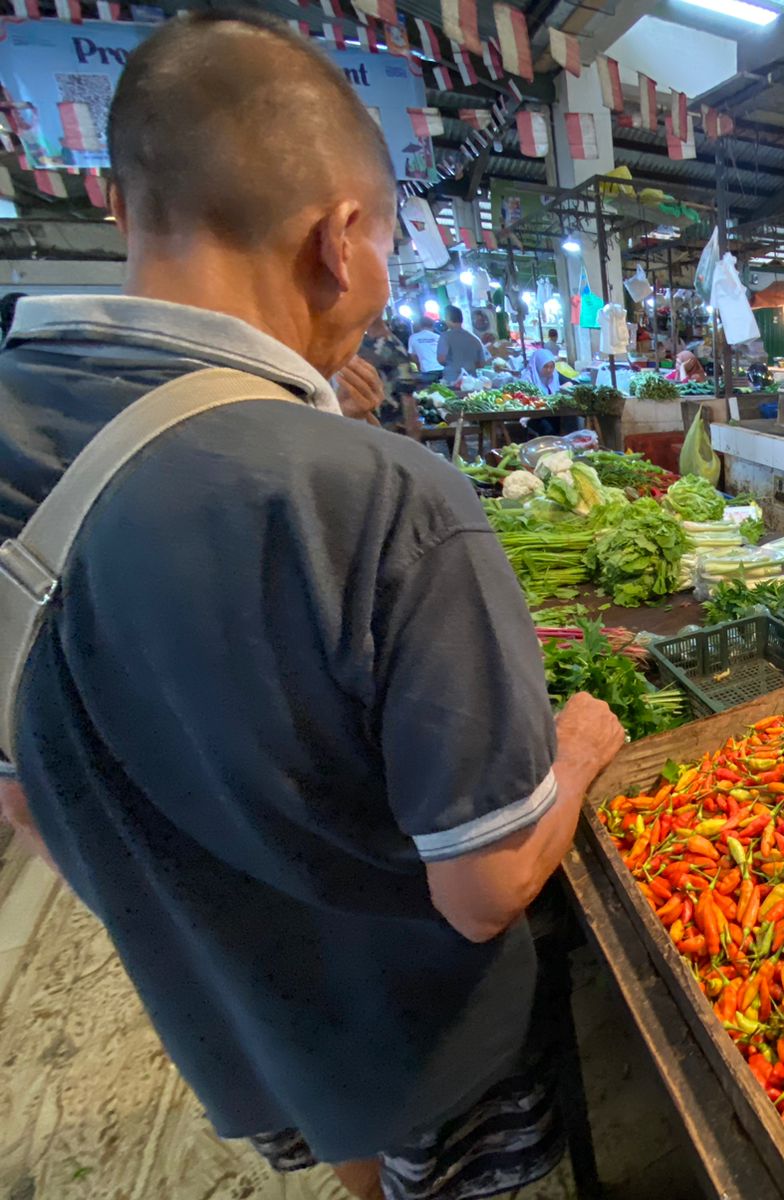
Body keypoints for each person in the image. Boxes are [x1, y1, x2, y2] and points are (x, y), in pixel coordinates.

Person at [0, 13, 624, 1200]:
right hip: (422, 1049)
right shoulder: (385, 499)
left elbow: (30, 801)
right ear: (341, 240)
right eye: (386, 250)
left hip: (233, 1027)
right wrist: (585, 745)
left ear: (128, 211)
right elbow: (483, 890)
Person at [437, 304, 487, 386]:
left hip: (452, 380)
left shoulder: (445, 336)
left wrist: (454, 365)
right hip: (472, 382)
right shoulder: (474, 338)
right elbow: (482, 364)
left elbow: (441, 359)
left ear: (448, 318)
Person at [528, 326, 560, 394]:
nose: (549, 370)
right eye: (545, 367)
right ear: (538, 365)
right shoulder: (528, 380)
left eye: (552, 367)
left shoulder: (554, 375)